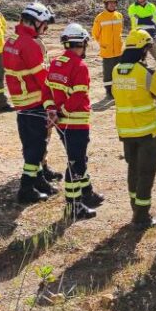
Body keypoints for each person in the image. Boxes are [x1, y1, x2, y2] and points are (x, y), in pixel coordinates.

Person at [111, 29, 156, 228]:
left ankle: (135, 207)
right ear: (143, 49)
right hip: (147, 132)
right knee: (146, 173)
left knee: (133, 170)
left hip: (126, 131)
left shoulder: (116, 70)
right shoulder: (145, 72)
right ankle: (142, 217)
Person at [47, 23, 103, 221]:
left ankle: (87, 192)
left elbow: (47, 89)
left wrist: (51, 110)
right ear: (82, 43)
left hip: (61, 124)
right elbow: (78, 97)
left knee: (78, 158)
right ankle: (74, 207)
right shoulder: (79, 66)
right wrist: (60, 112)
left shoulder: (55, 62)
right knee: (75, 163)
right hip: (76, 123)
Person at [4, 1, 58, 204]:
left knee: (34, 145)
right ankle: (26, 188)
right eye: (44, 24)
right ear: (35, 22)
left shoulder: (12, 40)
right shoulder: (29, 44)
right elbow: (42, 78)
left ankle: (39, 180)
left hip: (21, 102)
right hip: (34, 101)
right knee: (35, 148)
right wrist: (55, 99)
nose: (45, 29)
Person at [93, 0, 125, 92]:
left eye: (114, 3)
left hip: (119, 50)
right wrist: (103, 43)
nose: (112, 5)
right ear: (106, 4)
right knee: (108, 72)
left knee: (118, 71)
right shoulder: (100, 17)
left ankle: (118, 89)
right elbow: (95, 34)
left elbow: (121, 30)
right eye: (110, 3)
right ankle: (109, 91)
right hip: (107, 51)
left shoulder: (119, 16)